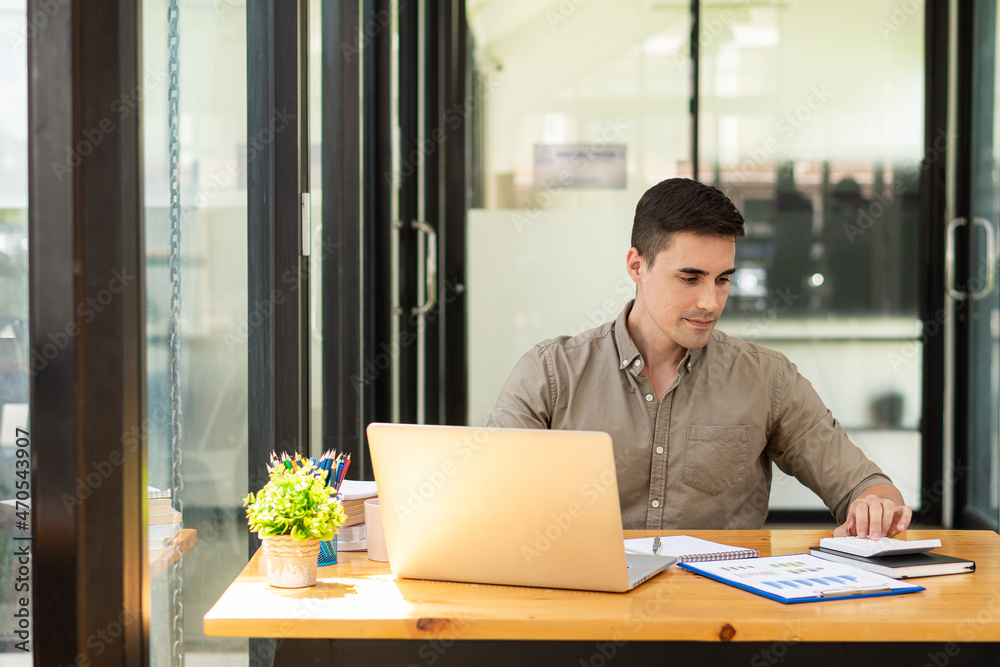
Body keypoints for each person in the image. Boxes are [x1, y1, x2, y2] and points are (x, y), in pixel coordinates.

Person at [487, 178, 911, 540]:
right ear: (637, 266)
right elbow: (489, 506)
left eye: (722, 280)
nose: (710, 302)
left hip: (723, 620)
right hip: (587, 613)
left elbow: (864, 484)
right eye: (689, 278)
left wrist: (874, 503)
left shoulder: (766, 378)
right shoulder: (550, 373)